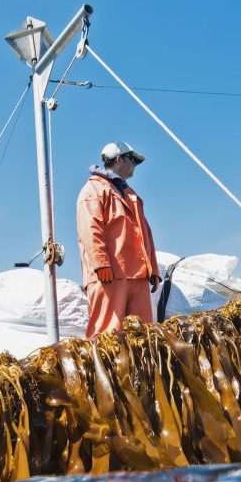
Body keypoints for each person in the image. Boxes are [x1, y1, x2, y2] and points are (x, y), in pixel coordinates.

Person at [76, 141, 162, 338]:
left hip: (138, 274)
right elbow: (90, 228)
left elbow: (145, 233)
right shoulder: (94, 190)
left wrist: (153, 270)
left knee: (142, 335)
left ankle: (139, 369)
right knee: (108, 333)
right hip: (109, 274)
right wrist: (100, 264)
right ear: (119, 159)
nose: (135, 165)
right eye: (133, 160)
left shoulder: (131, 195)